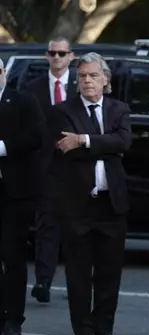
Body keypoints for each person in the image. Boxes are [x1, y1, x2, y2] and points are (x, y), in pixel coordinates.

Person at [52, 52, 132, 335]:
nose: (87, 80)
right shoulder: (62, 111)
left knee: (110, 273)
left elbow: (123, 142)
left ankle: (104, 331)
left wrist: (84, 140)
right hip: (77, 205)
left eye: (93, 75)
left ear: (105, 80)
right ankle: (83, 334)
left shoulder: (119, 109)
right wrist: (105, 145)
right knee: (79, 273)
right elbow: (63, 148)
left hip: (112, 205)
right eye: (82, 75)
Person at [25, 37, 76, 303]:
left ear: (71, 56)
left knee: (76, 226)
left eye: (61, 53)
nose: (56, 58)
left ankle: (76, 283)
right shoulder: (32, 89)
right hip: (44, 168)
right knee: (46, 224)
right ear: (47, 56)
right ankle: (43, 281)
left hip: (76, 167)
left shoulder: (81, 87)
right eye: (52, 53)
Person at [0, 59, 44, 335]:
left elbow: (36, 136)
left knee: (11, 254)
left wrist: (3, 147)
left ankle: (13, 320)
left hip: (14, 192)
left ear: (2, 73)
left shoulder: (22, 100)